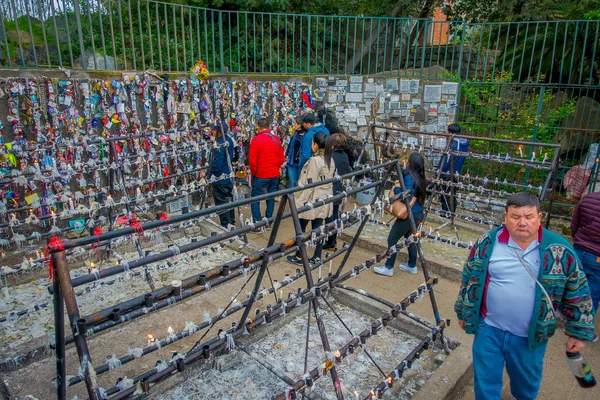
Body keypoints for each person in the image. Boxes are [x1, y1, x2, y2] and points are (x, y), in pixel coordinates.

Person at [455, 192, 595, 400]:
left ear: (539, 217)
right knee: (485, 384)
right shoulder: (487, 243)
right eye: (515, 216)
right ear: (505, 217)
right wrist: (463, 311)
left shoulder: (559, 250)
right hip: (488, 331)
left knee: (525, 387)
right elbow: (469, 278)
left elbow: (578, 292)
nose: (522, 223)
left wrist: (579, 332)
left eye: (528, 217)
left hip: (530, 336)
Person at [374, 152, 426, 276]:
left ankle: (388, 267)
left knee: (392, 238)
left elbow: (405, 195)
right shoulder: (421, 177)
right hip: (418, 213)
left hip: (409, 214)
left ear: (410, 163)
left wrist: (396, 188)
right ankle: (412, 265)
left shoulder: (409, 176)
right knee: (411, 239)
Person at [287, 132, 335, 265]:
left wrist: (300, 201)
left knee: (301, 227)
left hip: (312, 199)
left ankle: (299, 255)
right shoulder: (330, 159)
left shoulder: (315, 161)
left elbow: (310, 184)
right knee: (318, 228)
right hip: (324, 198)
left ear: (315, 145)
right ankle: (316, 256)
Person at [248, 118, 285, 225]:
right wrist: (275, 166)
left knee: (255, 198)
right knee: (271, 197)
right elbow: (281, 158)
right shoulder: (276, 139)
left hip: (260, 174)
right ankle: (268, 219)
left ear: (258, 127)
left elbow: (252, 162)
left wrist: (254, 173)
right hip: (274, 174)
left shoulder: (256, 140)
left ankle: (257, 222)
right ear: (269, 126)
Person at [571, 191, 600, 315]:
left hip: (578, 249)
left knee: (573, 285)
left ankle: (566, 316)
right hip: (597, 257)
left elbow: (574, 224)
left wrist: (578, 241)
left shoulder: (588, 198)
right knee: (592, 291)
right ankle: (583, 325)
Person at [324, 133, 352, 249]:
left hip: (330, 189)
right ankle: (332, 240)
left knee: (329, 217)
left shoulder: (330, 157)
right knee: (335, 215)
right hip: (339, 190)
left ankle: (329, 241)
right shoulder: (344, 156)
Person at [209, 121, 236, 228]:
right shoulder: (229, 140)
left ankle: (226, 224)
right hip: (228, 176)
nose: (212, 132)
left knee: (222, 203)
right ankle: (231, 222)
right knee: (229, 200)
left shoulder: (220, 144)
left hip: (220, 178)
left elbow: (217, 164)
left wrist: (210, 171)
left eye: (214, 130)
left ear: (219, 131)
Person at [439, 123, 468, 216]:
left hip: (447, 171)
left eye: (447, 130)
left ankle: (446, 212)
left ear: (450, 132)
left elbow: (447, 159)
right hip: (457, 171)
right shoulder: (464, 143)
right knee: (452, 192)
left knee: (445, 192)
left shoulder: (453, 143)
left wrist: (440, 171)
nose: (446, 132)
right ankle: (451, 212)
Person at [286, 116, 306, 188]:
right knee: (293, 184)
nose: (293, 125)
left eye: (295, 123)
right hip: (292, 162)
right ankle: (293, 199)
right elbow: (290, 146)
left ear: (300, 125)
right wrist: (287, 155)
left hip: (302, 163)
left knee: (301, 184)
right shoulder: (295, 134)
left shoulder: (307, 135)